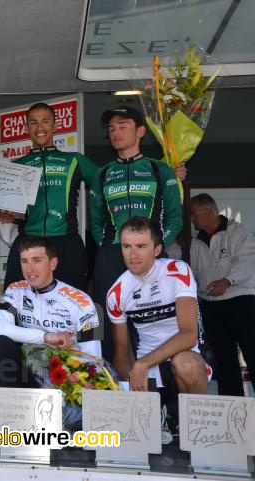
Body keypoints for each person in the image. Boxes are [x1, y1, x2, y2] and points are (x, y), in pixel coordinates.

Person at [90, 106, 184, 357]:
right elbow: (95, 221)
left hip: (153, 255)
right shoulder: (103, 173)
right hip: (112, 255)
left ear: (141, 131)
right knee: (109, 325)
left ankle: (162, 387)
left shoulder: (159, 170)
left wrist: (155, 247)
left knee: (155, 321)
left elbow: (176, 217)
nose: (116, 132)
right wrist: (111, 247)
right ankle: (113, 387)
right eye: (111, 129)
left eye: (123, 126)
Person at [0, 103, 97, 292]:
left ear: (55, 126)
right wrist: (7, 217)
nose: (40, 127)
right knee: (17, 300)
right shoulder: (17, 165)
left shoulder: (74, 160)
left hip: (66, 243)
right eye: (34, 123)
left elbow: (105, 182)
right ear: (27, 128)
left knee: (73, 302)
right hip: (28, 241)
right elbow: (11, 211)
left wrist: (98, 225)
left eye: (45, 121)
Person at [106, 217, 207, 397]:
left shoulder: (178, 271)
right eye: (126, 246)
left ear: (157, 250)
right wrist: (131, 389)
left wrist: (142, 363)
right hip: (148, 370)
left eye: (141, 246)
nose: (133, 255)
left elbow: (189, 335)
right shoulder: (116, 292)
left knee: (185, 363)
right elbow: (121, 353)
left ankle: (197, 420)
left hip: (186, 357)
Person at [0, 236, 100, 387]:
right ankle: (9, 406)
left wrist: (85, 380)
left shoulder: (81, 301)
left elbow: (93, 358)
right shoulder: (15, 291)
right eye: (24, 261)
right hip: (29, 373)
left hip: (66, 377)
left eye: (37, 260)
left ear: (53, 263)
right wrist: (47, 337)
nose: (29, 269)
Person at [189, 193, 255, 396]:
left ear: (208, 211)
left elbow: (247, 261)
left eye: (194, 214)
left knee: (252, 352)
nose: (191, 219)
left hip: (241, 301)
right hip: (211, 305)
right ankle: (232, 408)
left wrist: (226, 281)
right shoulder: (196, 241)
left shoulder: (237, 231)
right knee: (224, 359)